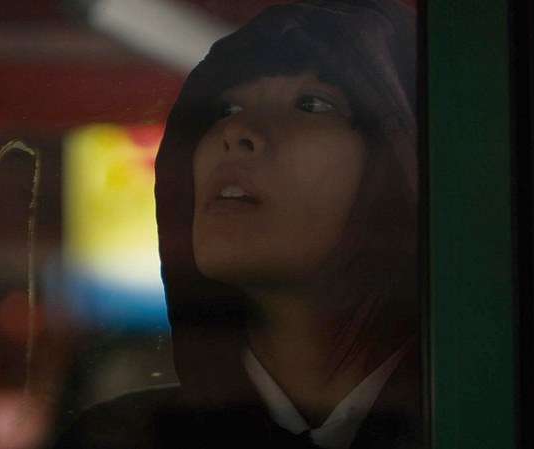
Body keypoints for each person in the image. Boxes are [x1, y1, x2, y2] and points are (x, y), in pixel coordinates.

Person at [51, 1, 421, 448]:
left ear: (405, 160)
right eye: (226, 109)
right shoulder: (111, 440)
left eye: (311, 104)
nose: (235, 130)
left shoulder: (488, 420)